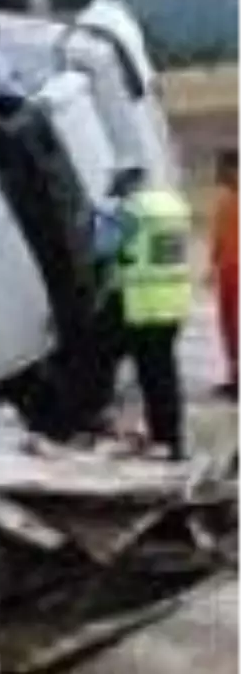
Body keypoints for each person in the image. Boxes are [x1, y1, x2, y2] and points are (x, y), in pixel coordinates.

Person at [99, 167, 194, 459]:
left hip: (142, 305)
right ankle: (170, 439)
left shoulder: (131, 211)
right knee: (164, 375)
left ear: (124, 185)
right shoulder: (172, 206)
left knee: (106, 360)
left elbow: (101, 248)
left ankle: (96, 419)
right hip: (173, 305)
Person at [210, 150, 241, 396]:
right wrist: (213, 265)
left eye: (223, 169)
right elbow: (218, 237)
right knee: (228, 327)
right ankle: (235, 377)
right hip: (227, 272)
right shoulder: (225, 201)